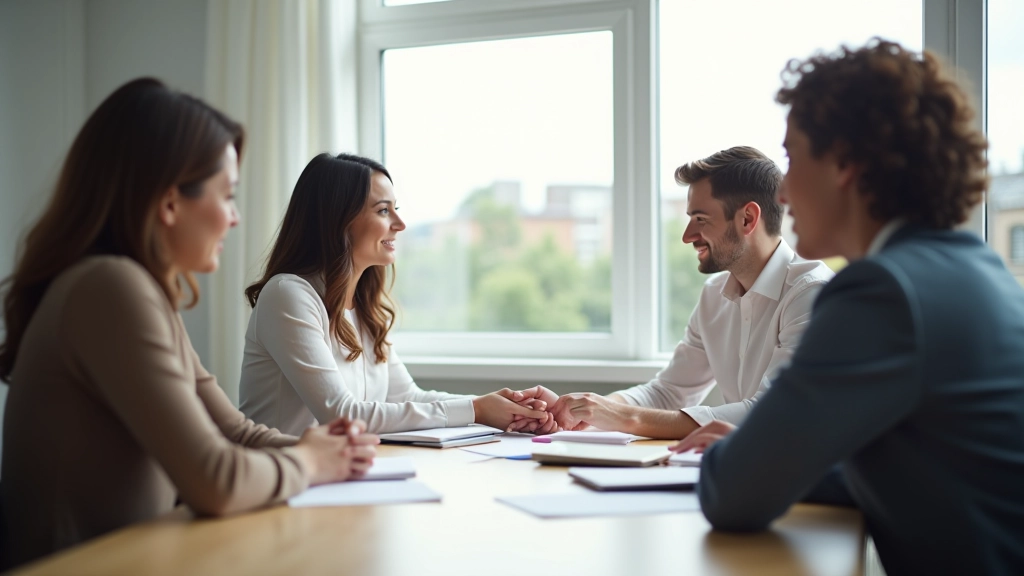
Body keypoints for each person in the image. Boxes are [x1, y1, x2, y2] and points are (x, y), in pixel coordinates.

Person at [673, 39, 1024, 575]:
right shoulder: (978, 269)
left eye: (791, 159)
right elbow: (922, 472)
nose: (783, 193)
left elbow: (733, 497)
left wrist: (747, 454)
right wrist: (777, 455)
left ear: (844, 163)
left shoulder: (880, 292)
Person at [0, 79, 377, 568]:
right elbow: (215, 480)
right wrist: (309, 461)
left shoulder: (136, 291)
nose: (235, 218)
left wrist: (332, 450)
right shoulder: (109, 289)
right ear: (171, 202)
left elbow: (234, 431)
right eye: (227, 195)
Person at [513, 147, 833, 438]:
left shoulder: (811, 295)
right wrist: (588, 411)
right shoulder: (713, 296)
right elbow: (668, 393)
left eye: (700, 219)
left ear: (748, 219)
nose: (687, 235)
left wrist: (627, 418)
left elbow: (770, 412)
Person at [238, 153, 551, 436]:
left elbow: (408, 398)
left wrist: (496, 406)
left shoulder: (362, 307)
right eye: (383, 210)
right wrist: (476, 410)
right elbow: (341, 416)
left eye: (395, 209)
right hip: (277, 483)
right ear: (337, 221)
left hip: (337, 476)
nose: (400, 224)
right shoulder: (288, 295)